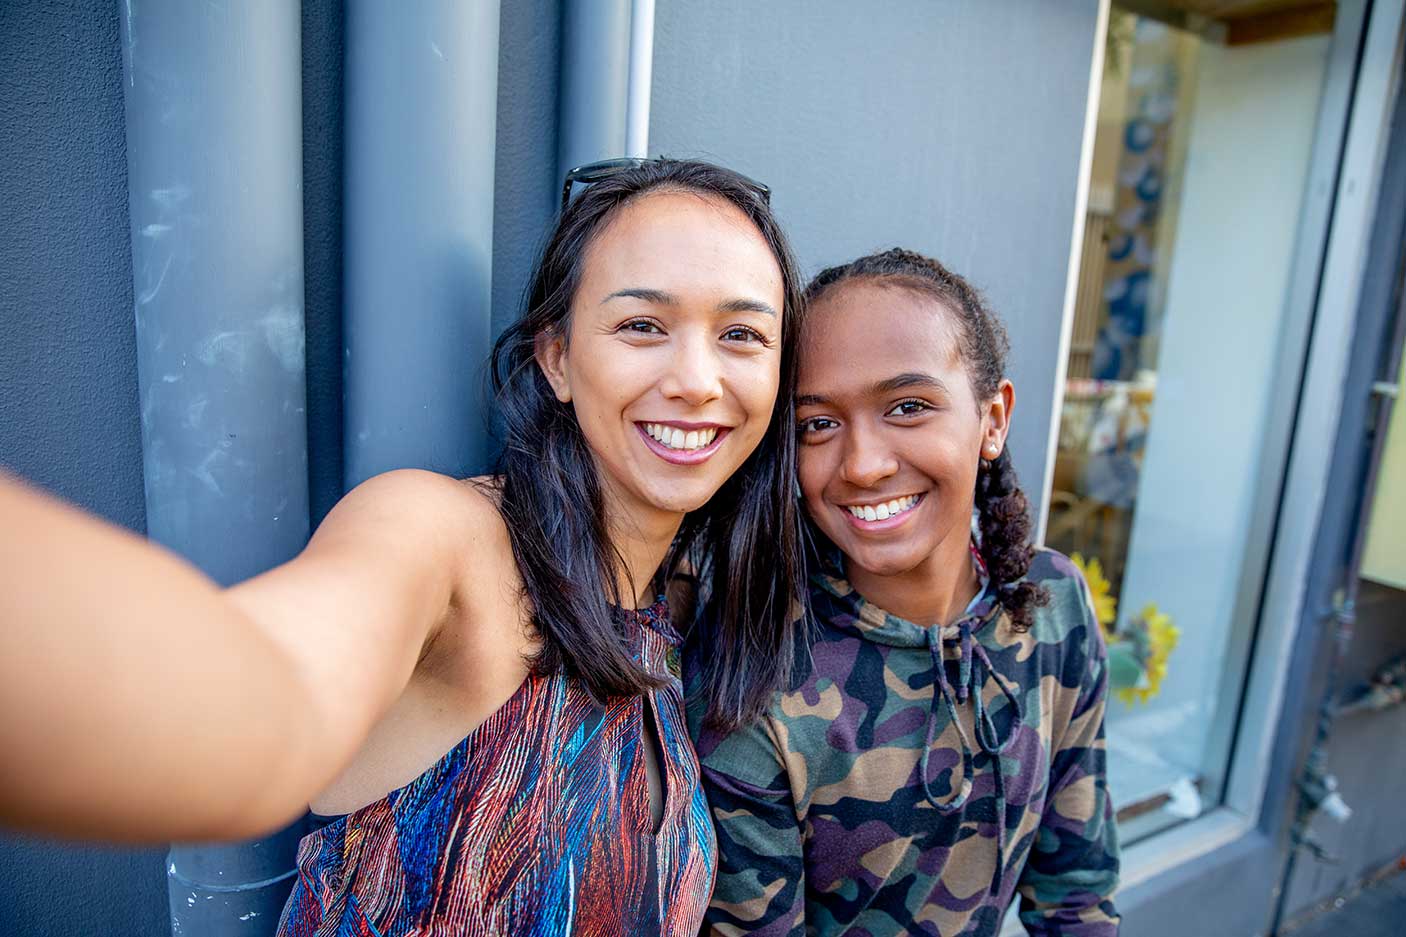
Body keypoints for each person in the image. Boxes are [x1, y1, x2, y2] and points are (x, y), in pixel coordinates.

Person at [0, 158, 807, 936]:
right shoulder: (451, 544)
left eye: (741, 333)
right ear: (557, 358)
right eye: (642, 324)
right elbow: (262, 689)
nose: (698, 378)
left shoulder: (678, 600)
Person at [694, 248, 1120, 936]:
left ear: (993, 418)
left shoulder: (1051, 604)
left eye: (909, 406)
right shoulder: (753, 677)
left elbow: (1077, 893)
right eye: (819, 424)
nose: (862, 464)